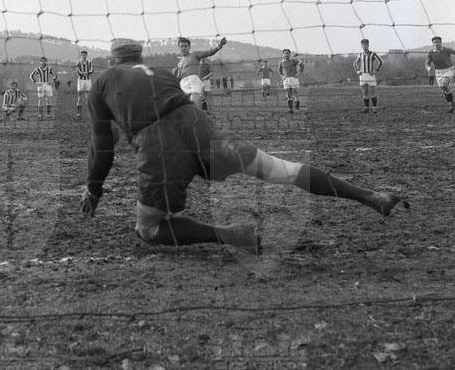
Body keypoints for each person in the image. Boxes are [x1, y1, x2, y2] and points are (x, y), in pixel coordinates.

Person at [80, 39, 407, 250]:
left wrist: (93, 189)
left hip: (160, 146)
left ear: (112, 60)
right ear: (139, 57)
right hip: (200, 126)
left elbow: (102, 146)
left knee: (150, 229)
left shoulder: (103, 81)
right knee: (283, 170)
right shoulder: (163, 73)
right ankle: (372, 197)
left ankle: (232, 234)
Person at [174, 36, 227, 105]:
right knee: (184, 105)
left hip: (193, 80)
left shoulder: (195, 54)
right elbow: (178, 77)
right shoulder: (179, 63)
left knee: (193, 103)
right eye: (181, 46)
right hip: (183, 83)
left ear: (189, 47)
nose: (183, 48)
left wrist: (219, 45)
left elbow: (209, 52)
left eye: (185, 46)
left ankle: (201, 107)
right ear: (179, 48)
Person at [425, 35, 455, 113]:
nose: (436, 43)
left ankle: (451, 105)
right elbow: (427, 63)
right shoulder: (430, 53)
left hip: (449, 70)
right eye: (434, 42)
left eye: (438, 42)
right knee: (443, 88)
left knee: (444, 85)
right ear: (432, 44)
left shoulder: (447, 50)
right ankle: (451, 103)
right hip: (438, 72)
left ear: (441, 43)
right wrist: (429, 68)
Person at [353, 39, 383, 113]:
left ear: (368, 45)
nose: (364, 46)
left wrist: (376, 70)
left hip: (370, 75)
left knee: (372, 92)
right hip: (362, 75)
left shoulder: (372, 54)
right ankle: (366, 108)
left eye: (365, 45)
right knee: (365, 92)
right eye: (363, 45)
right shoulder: (360, 54)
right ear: (361, 46)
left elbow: (380, 61)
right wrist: (357, 71)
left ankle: (374, 108)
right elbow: (355, 63)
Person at [75, 50, 94, 119]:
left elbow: (92, 71)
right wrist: (84, 73)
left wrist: (87, 73)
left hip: (88, 81)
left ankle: (90, 114)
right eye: (82, 55)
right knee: (80, 97)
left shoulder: (90, 63)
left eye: (85, 55)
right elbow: (78, 72)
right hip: (80, 81)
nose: (83, 56)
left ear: (86, 55)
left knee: (88, 97)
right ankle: (79, 113)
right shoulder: (78, 63)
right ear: (81, 55)